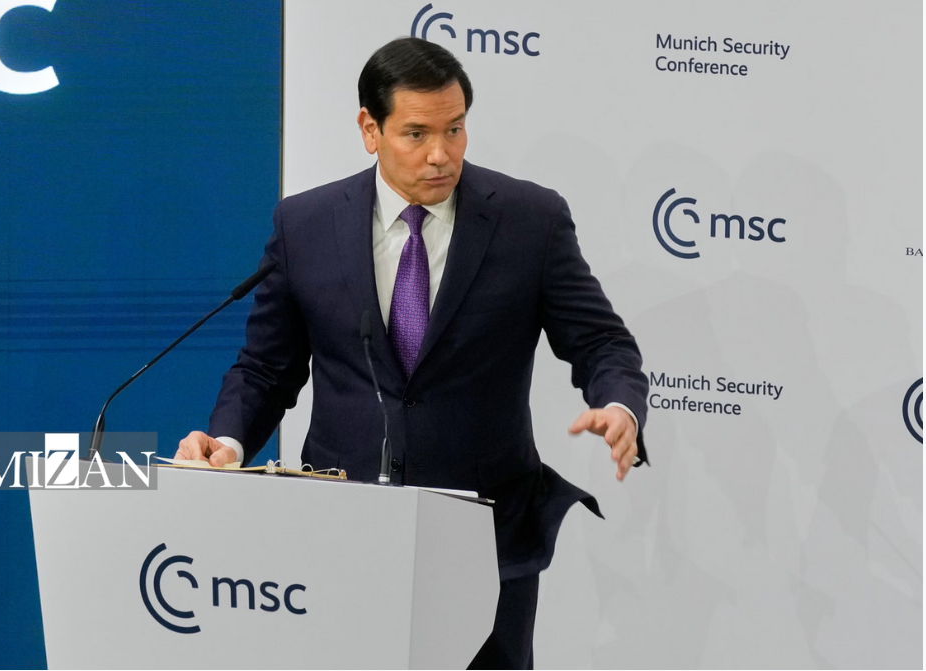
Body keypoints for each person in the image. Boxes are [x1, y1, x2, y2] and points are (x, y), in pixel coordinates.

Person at [177, 37, 649, 669]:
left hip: (486, 540)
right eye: (417, 133)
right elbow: (267, 367)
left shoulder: (529, 220)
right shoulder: (306, 224)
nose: (440, 154)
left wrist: (618, 403)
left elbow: (600, 341)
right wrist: (228, 443)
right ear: (369, 129)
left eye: (455, 129)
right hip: (339, 537)